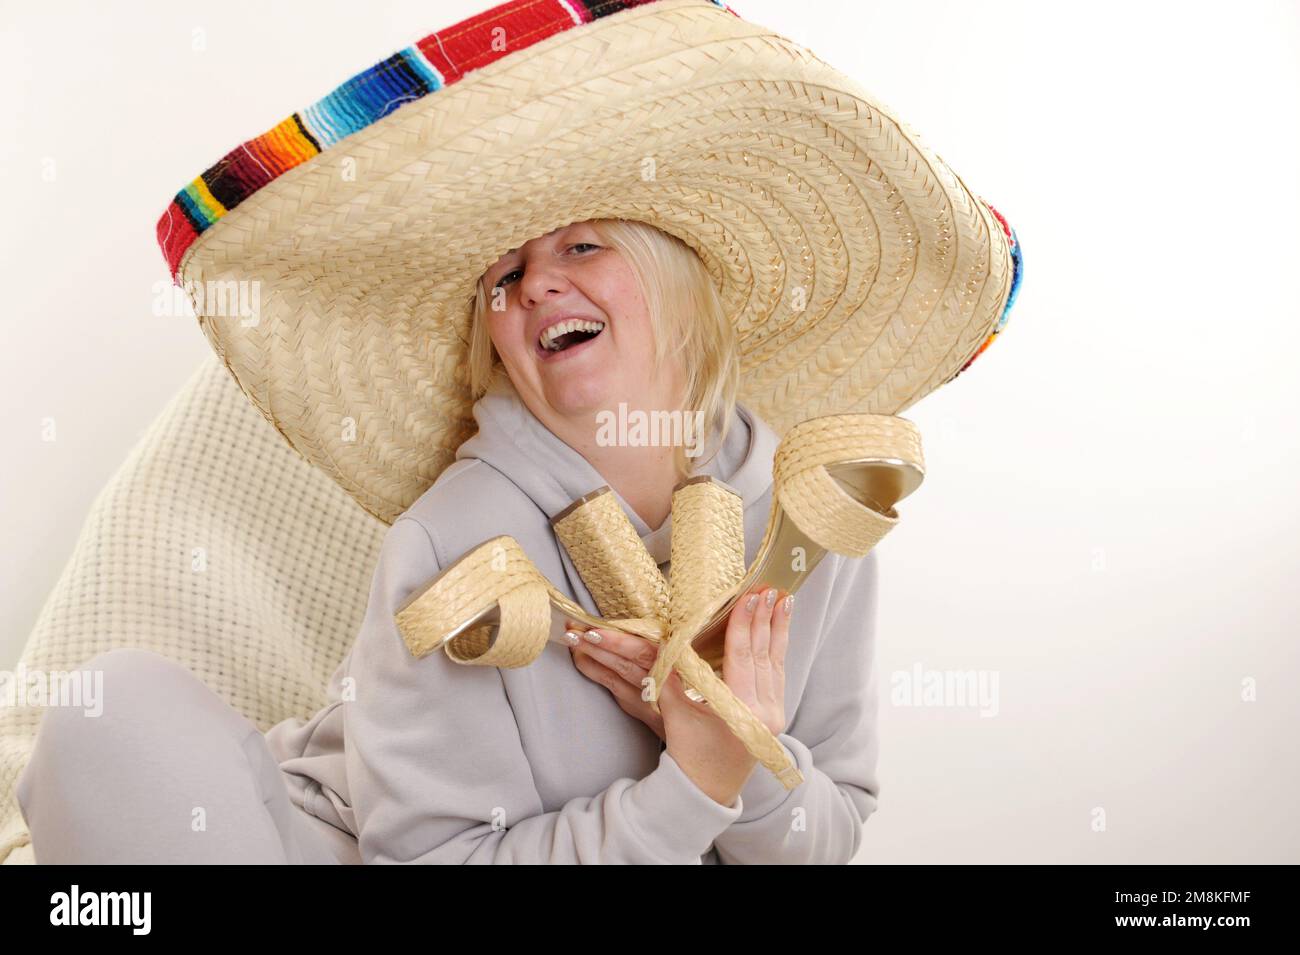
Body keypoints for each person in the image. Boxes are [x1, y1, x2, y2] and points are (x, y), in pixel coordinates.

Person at [18, 0, 1020, 865]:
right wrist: (681, 798)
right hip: (328, 841)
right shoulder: (451, 541)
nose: (538, 281)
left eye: (584, 245)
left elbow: (830, 826)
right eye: (505, 278)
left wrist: (734, 759)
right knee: (115, 715)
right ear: (496, 343)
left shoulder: (808, 522)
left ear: (683, 296)